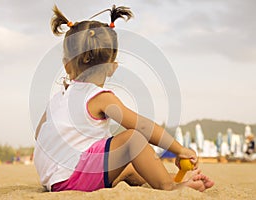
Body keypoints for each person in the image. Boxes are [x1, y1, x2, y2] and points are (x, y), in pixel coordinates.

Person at [33, 4, 214, 192]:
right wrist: (179, 149)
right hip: (73, 178)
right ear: (112, 67)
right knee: (132, 140)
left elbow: (39, 135)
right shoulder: (100, 97)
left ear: (67, 65)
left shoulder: (56, 100)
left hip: (54, 179)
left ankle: (167, 178)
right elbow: (141, 126)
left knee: (126, 165)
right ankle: (169, 186)